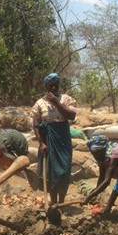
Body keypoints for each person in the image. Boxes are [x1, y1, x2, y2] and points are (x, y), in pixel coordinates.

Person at [31, 73, 76, 205]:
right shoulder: (39, 103)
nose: (54, 87)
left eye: (56, 84)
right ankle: (54, 202)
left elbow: (71, 116)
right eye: (51, 85)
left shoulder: (66, 99)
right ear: (46, 86)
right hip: (48, 138)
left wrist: (56, 102)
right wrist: (41, 143)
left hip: (63, 138)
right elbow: (36, 124)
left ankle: (61, 202)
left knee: (63, 170)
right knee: (50, 171)